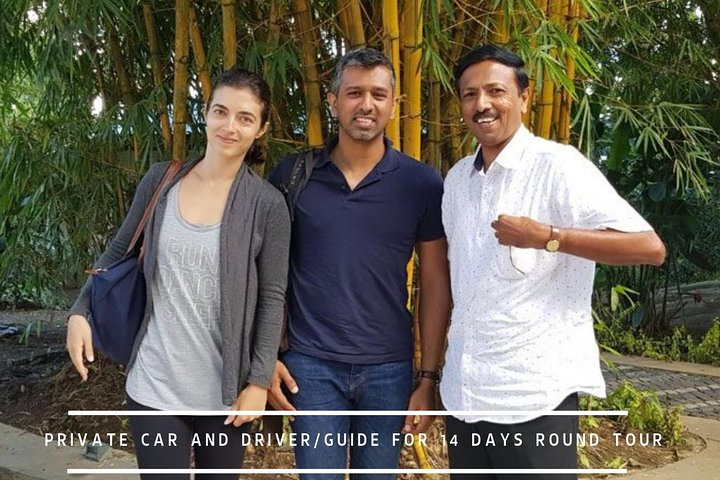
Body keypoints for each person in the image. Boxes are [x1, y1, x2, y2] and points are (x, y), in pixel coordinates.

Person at [440, 44, 666, 480]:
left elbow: (649, 247)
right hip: (466, 394)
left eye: (495, 91)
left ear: (524, 97)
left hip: (534, 395)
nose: (482, 104)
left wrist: (547, 237)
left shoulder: (558, 165)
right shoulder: (457, 180)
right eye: (470, 94)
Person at [66, 68, 291, 479]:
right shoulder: (162, 181)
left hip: (225, 394)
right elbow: (118, 251)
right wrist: (80, 311)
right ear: (206, 113)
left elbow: (272, 297)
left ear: (261, 129)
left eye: (245, 118)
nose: (229, 126)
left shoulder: (267, 205)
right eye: (221, 111)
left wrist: (258, 382)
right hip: (155, 383)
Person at [268, 47, 451, 479]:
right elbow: (267, 274)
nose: (366, 104)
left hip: (389, 367)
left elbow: (435, 282)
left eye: (378, 94)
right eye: (354, 93)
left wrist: (428, 378)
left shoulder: (421, 184)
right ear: (333, 101)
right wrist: (267, 356)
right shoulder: (293, 175)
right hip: (309, 365)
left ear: (394, 104)